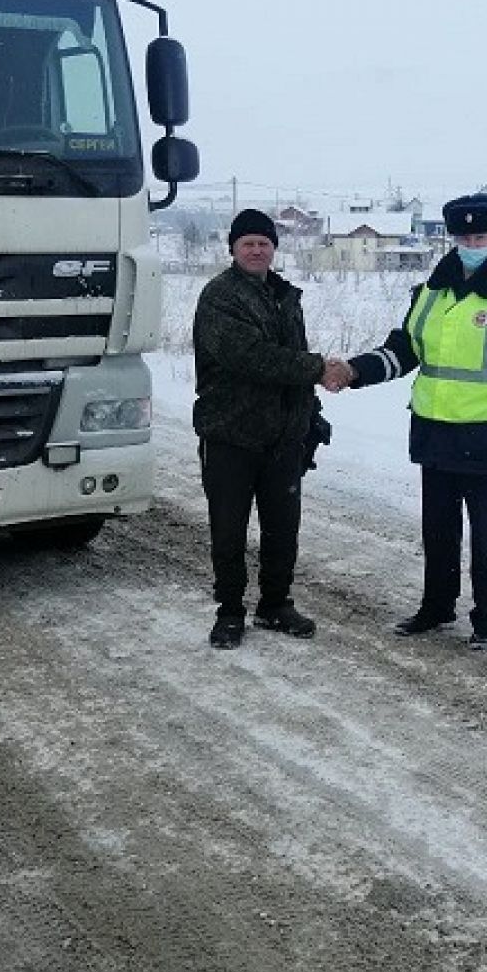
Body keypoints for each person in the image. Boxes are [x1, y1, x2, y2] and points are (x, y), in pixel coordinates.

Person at [324, 192, 487, 649]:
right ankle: (437, 607)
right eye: (463, 236)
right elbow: (403, 351)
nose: (471, 242)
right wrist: (353, 371)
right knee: (438, 533)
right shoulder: (429, 293)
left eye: (480, 235)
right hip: (436, 436)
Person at [193, 208, 329, 649]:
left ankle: (275, 604)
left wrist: (312, 412)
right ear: (232, 248)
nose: (256, 250)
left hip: (282, 436)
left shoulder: (285, 296)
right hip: (231, 433)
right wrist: (320, 369)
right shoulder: (220, 297)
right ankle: (230, 611)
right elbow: (252, 357)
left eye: (264, 243)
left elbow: (293, 353)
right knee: (229, 530)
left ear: (274, 249)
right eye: (248, 243)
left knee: (282, 527)